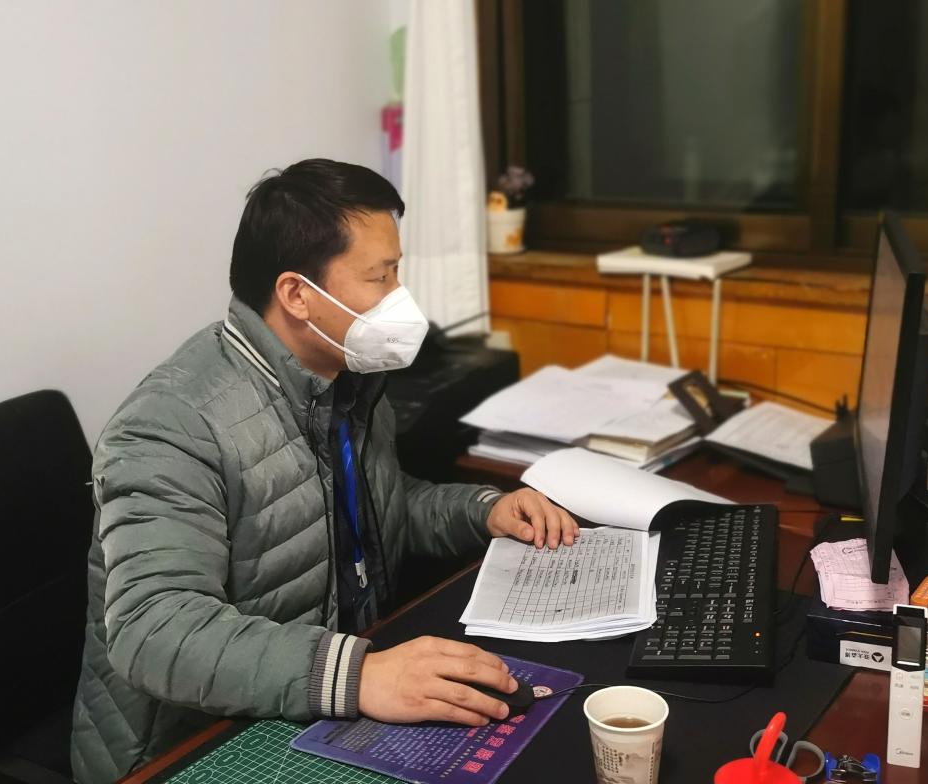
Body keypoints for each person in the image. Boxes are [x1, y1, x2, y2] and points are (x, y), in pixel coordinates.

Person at [70, 159, 578, 784]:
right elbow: (154, 629)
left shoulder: (345, 377)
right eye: (380, 276)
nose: (400, 297)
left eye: (397, 271)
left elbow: (379, 510)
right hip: (187, 747)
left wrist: (484, 510)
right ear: (297, 295)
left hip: (317, 701)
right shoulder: (171, 423)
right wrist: (359, 675)